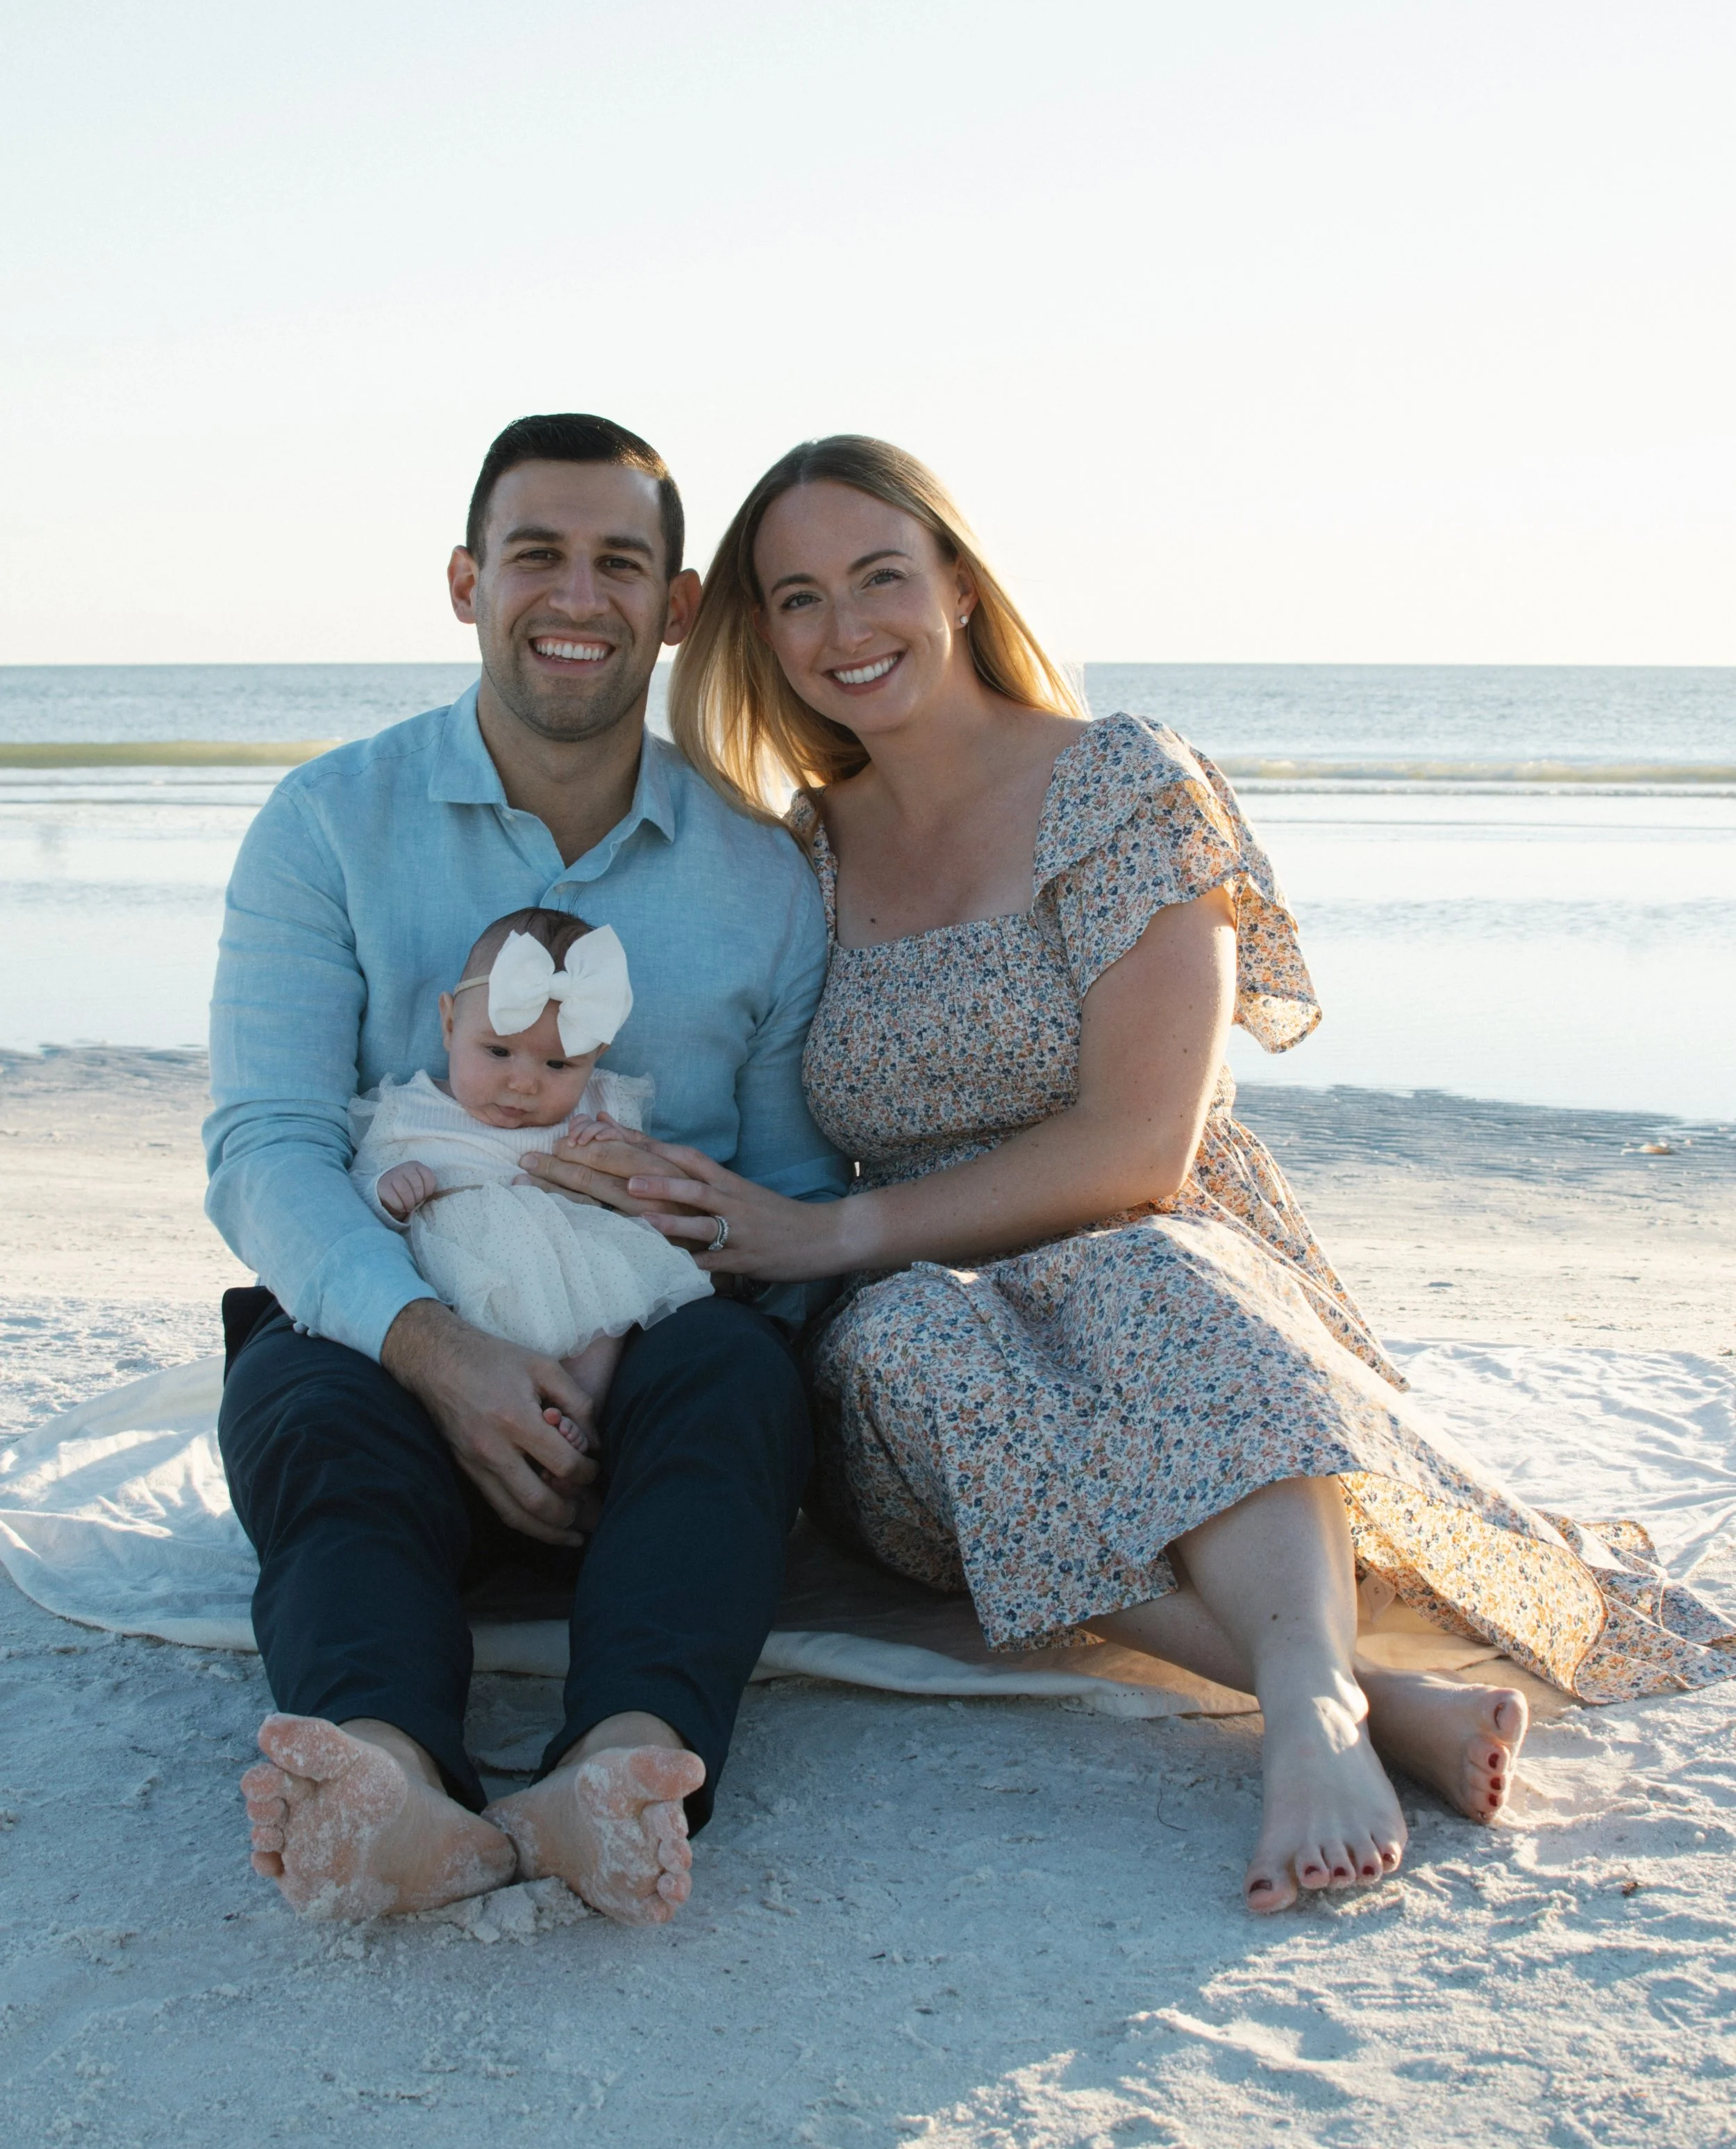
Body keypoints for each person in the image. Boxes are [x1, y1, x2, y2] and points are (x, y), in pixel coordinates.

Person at [565, 431, 1736, 1916]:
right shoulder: (800, 852)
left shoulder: (1120, 784)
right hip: (916, 1317)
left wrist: (833, 1228)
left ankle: (1307, 1706)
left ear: (960, 588)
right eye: (796, 599)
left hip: (1150, 1245)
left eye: (877, 577)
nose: (842, 630)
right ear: (760, 633)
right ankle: (1372, 1689)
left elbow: (1140, 1148)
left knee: (1144, 1272)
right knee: (906, 1346)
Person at [208, 413, 844, 1925]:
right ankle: (382, 1777)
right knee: (302, 1394)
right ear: (463, 582)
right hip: (396, 1364)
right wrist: (444, 1355)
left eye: (620, 561)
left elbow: (792, 1195)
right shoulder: (325, 825)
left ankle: (615, 1770)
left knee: (745, 1381)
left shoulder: (760, 875)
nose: (577, 595)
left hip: (644, 1397)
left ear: (678, 607)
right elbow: (265, 1147)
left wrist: (625, 1349)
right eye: (534, 556)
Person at [349, 904, 710, 1440]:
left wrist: (608, 1144)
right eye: (498, 1051)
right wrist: (387, 1191)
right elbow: (356, 1184)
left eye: (558, 1065)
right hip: (461, 1279)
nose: (523, 1083)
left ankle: (579, 1410)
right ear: (449, 1024)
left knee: (606, 1321)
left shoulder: (599, 1105)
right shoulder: (409, 1109)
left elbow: (642, 1173)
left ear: (595, 1056)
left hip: (570, 1269)